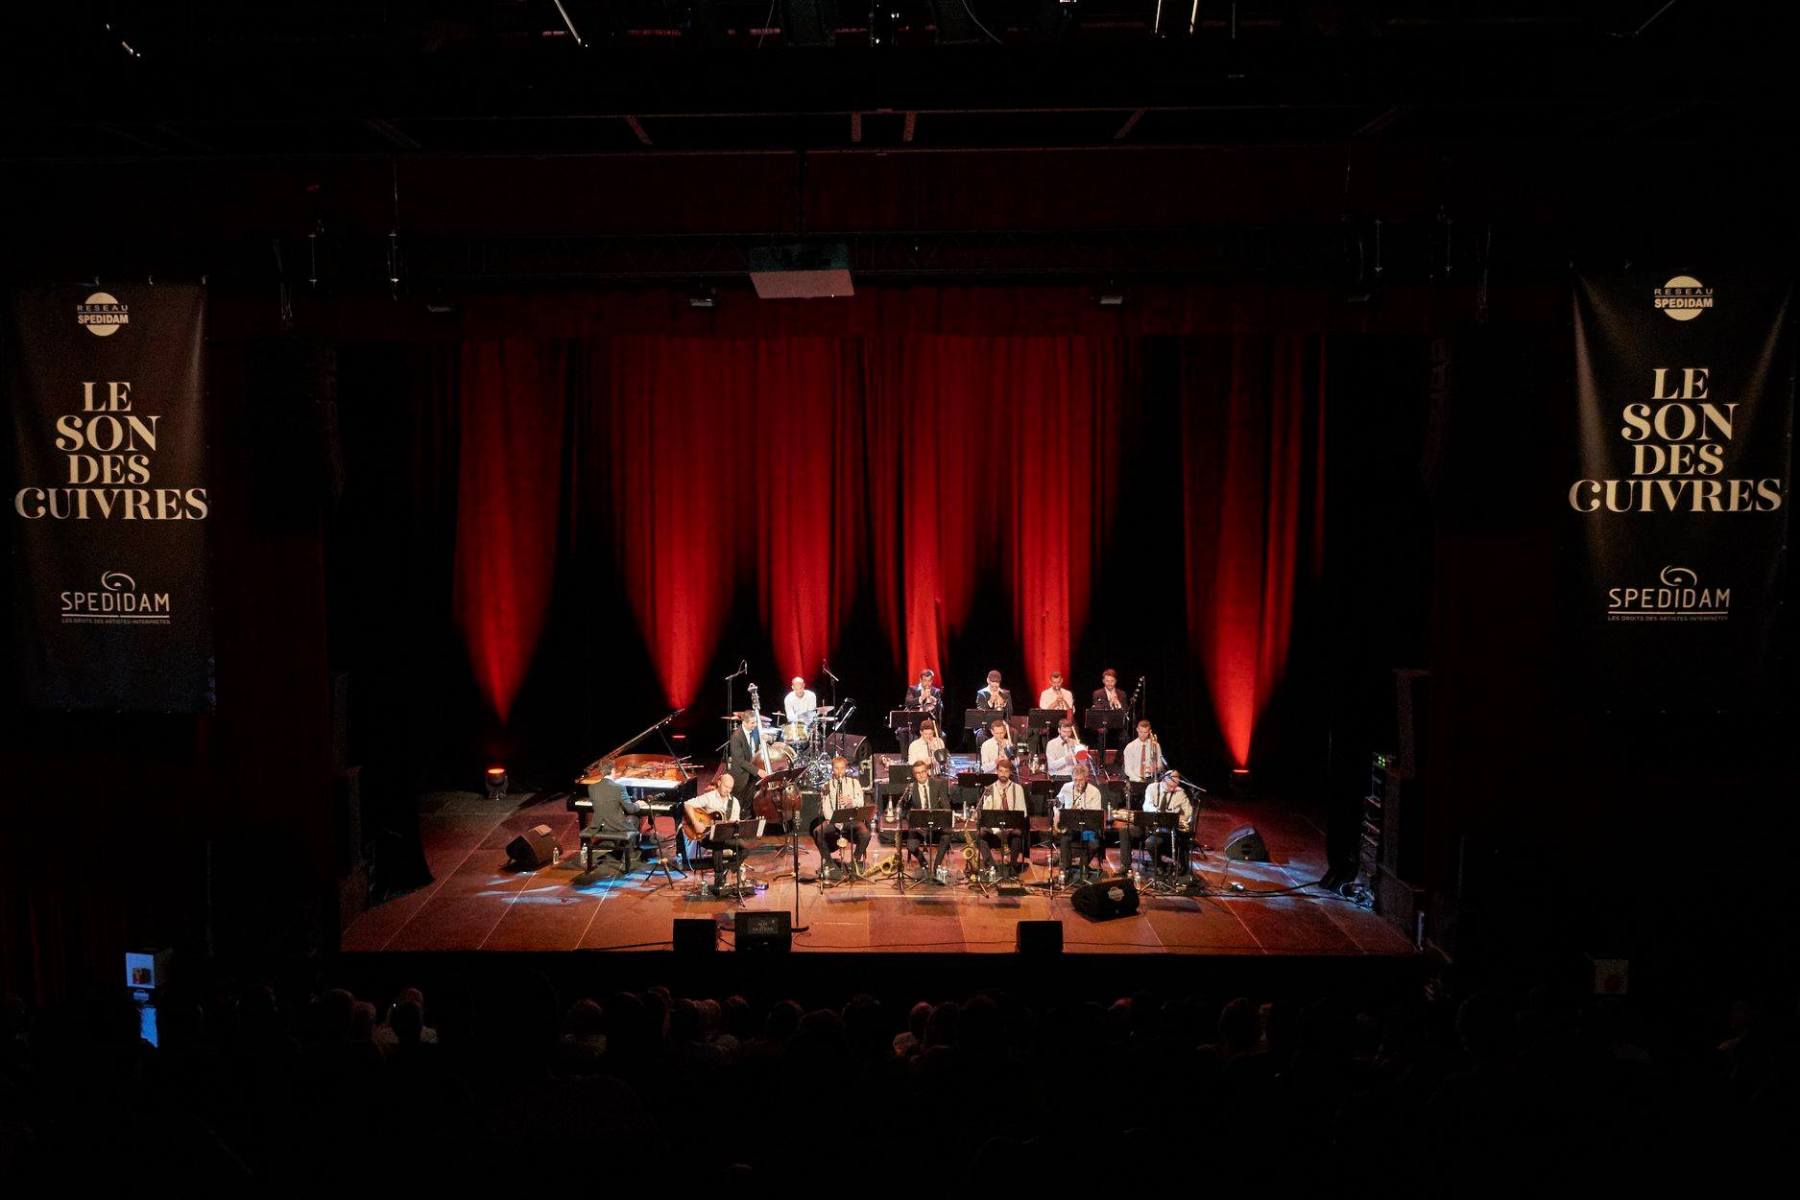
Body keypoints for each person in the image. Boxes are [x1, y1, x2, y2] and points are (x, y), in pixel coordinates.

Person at [684, 772, 748, 893]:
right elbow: (687, 804)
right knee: (718, 843)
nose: (727, 790)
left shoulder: (734, 802)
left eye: (730, 788)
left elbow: (734, 824)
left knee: (745, 849)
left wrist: (734, 824)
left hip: (725, 836)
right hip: (706, 836)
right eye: (725, 786)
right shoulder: (709, 797)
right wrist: (696, 822)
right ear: (719, 783)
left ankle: (725, 871)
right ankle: (719, 881)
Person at [813, 755, 871, 876]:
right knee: (818, 831)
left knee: (865, 834)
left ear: (846, 769)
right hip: (833, 821)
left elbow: (861, 802)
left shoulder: (854, 783)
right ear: (832, 769)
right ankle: (829, 863)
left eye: (842, 768)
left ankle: (855, 861)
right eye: (836, 768)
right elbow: (825, 808)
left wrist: (851, 801)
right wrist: (834, 820)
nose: (839, 771)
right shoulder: (826, 785)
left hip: (851, 820)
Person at [900, 759, 953, 881]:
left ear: (927, 771)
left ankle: (936, 867)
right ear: (914, 775)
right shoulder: (911, 788)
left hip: (936, 824)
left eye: (923, 772)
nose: (921, 775)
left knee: (947, 836)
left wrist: (943, 818)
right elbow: (905, 810)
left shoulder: (938, 785)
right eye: (917, 773)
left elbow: (946, 806)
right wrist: (912, 819)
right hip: (919, 826)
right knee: (911, 845)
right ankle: (924, 863)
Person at [978, 756, 1029, 877]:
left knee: (1017, 835)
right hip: (995, 829)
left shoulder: (1017, 789)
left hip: (1011, 829)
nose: (1003, 774)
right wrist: (997, 831)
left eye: (1006, 771)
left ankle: (1013, 866)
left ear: (1010, 772)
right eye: (1000, 771)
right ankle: (991, 866)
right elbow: (986, 814)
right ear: (997, 772)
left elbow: (1023, 813)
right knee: (980, 835)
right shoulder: (990, 789)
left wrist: (1010, 828)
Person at [1056, 761, 1107, 879]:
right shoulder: (1066, 787)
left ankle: (1082, 865)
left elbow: (1095, 816)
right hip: (1071, 827)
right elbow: (1058, 803)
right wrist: (1057, 813)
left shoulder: (1094, 792)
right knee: (1065, 839)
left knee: (1094, 843)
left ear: (1086, 778)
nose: (1077, 783)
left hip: (1087, 829)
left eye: (1080, 780)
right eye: (1075, 780)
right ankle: (1066, 869)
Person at [1140, 769, 1195, 875]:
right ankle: (1158, 866)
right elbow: (1147, 806)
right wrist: (1158, 813)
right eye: (1170, 786)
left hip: (1169, 829)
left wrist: (1180, 818)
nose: (1172, 789)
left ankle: (1164, 866)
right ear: (1163, 781)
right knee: (1129, 831)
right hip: (1152, 824)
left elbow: (1189, 812)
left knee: (1152, 843)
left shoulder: (1179, 792)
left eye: (1174, 786)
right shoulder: (1152, 788)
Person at [1122, 719, 1171, 783]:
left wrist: (1156, 768)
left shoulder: (1155, 745)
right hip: (1135, 780)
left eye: (1145, 732)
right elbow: (1128, 769)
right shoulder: (1130, 747)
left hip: (1151, 780)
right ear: (1137, 730)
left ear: (1149, 731)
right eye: (1140, 732)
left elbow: (1160, 765)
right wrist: (1139, 780)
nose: (1142, 734)